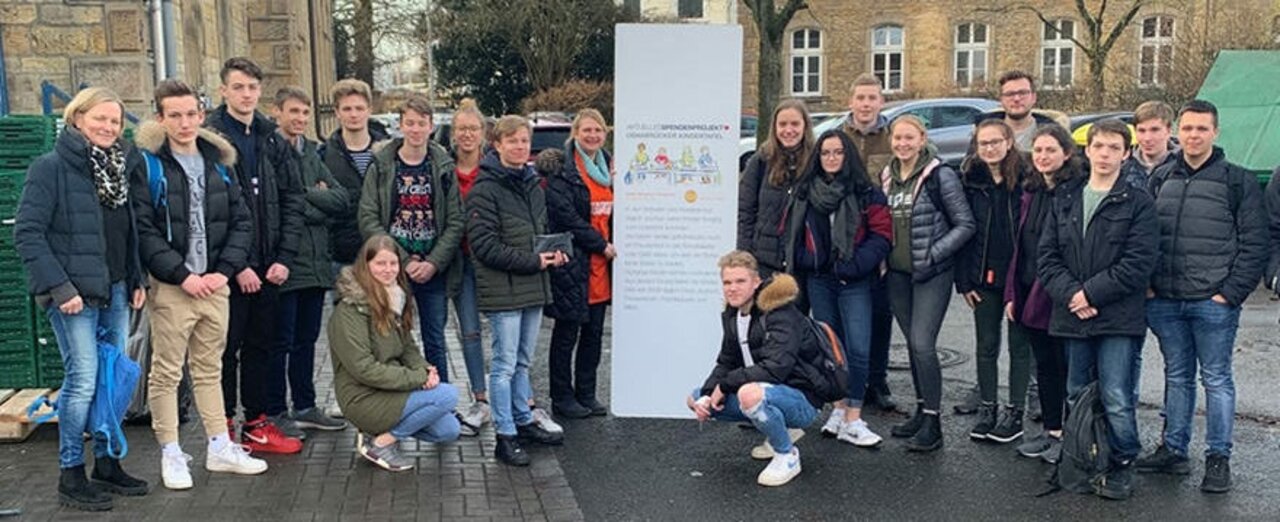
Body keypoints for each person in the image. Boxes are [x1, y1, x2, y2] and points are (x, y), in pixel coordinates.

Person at [14, 87, 149, 511]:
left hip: (114, 289)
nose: (109, 127)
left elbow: (125, 231)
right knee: (83, 380)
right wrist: (60, 289)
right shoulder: (49, 168)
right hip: (72, 296)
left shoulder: (115, 167)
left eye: (115, 121)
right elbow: (28, 234)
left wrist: (135, 276)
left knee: (110, 379)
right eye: (100, 119)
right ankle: (71, 474)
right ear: (76, 119)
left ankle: (106, 463)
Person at [131, 79, 266, 490]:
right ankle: (171, 453)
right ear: (161, 117)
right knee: (167, 372)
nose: (185, 122)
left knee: (210, 369)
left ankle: (219, 446)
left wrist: (221, 272)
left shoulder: (219, 162)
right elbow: (144, 229)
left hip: (215, 284)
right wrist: (182, 275)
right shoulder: (148, 163)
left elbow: (242, 221)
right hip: (173, 286)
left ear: (201, 114)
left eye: (191, 113)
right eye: (175, 115)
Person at [1137, 100, 1268, 494]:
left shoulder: (1237, 181)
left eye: (1202, 129)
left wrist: (1229, 294)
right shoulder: (1160, 177)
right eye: (1188, 128)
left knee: (1216, 379)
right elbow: (1144, 235)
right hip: (1165, 300)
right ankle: (1174, 450)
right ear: (1179, 131)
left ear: (1216, 132)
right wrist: (1149, 285)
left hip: (1212, 302)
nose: (1194, 136)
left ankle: (1218, 457)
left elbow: (1254, 243)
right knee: (1177, 377)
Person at [1037, 119, 1159, 500]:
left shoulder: (1139, 203)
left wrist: (1090, 294)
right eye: (1098, 146)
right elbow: (1047, 256)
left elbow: (1139, 262)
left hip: (1118, 317)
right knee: (1076, 391)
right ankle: (1085, 456)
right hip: (1073, 312)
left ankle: (1123, 462)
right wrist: (1073, 294)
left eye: (1113, 147)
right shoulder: (1067, 197)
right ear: (1087, 151)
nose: (1105, 154)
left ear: (1126, 153)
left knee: (1117, 395)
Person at [206, 57, 307, 452]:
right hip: (227, 272)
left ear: (259, 91)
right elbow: (212, 210)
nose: (246, 94)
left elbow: (293, 198)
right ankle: (225, 429)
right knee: (226, 350)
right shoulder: (210, 138)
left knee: (262, 347)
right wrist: (240, 265)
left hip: (271, 268)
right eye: (238, 87)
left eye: (252, 87)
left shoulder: (270, 139)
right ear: (224, 91)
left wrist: (283, 257)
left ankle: (257, 424)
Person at [466, 115, 569, 466]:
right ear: (496, 144)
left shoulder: (531, 183)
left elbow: (538, 233)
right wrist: (536, 261)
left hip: (532, 287)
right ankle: (505, 435)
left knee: (523, 362)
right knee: (504, 365)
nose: (520, 146)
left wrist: (555, 252)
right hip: (504, 290)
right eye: (512, 141)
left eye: (524, 141)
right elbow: (485, 247)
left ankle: (524, 421)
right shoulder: (484, 189)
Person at [880, 115, 976, 452]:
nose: (903, 144)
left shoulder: (940, 175)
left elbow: (965, 224)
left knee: (923, 343)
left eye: (910, 138)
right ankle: (921, 411)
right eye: (897, 138)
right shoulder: (887, 176)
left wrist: (934, 254)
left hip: (932, 273)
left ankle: (934, 423)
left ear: (922, 139)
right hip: (897, 274)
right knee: (911, 344)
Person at [687, 251, 823, 487]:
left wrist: (725, 385)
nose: (732, 288)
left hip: (804, 400)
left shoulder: (781, 313)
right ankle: (781, 431)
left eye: (740, 281)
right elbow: (726, 362)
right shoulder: (733, 314)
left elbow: (775, 369)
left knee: (748, 394)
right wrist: (710, 393)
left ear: (757, 282)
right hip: (769, 392)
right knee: (697, 397)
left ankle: (787, 455)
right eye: (727, 282)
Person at [328, 235, 462, 471]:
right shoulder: (349, 310)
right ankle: (381, 443)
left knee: (449, 429)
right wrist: (418, 379)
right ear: (365, 265)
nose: (388, 270)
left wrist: (425, 370)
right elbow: (363, 369)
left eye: (393, 263)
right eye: (380, 263)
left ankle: (383, 432)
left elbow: (408, 347)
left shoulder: (394, 297)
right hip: (362, 396)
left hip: (390, 388)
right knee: (447, 395)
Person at [357, 94, 463, 389]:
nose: (416, 129)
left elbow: (456, 221)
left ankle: (441, 399)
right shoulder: (381, 164)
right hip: (391, 270)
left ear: (431, 126)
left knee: (434, 339)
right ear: (400, 126)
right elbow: (368, 218)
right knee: (387, 338)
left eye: (422, 123)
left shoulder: (443, 167)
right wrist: (402, 260)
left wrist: (432, 262)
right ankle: (391, 400)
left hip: (433, 268)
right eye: (410, 123)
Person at [800, 129, 892, 447]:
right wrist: (810, 260)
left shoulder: (868, 192)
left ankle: (854, 414)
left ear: (848, 154)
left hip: (855, 280)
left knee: (858, 347)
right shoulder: (806, 192)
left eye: (838, 152)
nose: (832, 158)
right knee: (830, 347)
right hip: (820, 280)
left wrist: (855, 265)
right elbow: (792, 234)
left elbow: (882, 235)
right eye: (826, 153)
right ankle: (838, 409)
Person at [268, 87, 349, 433]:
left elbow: (340, 201)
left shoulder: (312, 153)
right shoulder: (270, 152)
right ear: (277, 112)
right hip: (287, 265)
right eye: (293, 112)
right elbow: (281, 207)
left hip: (316, 266)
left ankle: (305, 405)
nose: (300, 119)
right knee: (279, 342)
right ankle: (275, 410)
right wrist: (313, 199)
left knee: (306, 341)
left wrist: (306, 196)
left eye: (305, 112)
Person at [1011, 124, 1083, 463]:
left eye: (1050, 150)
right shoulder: (1032, 190)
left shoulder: (1076, 191)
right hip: (1029, 290)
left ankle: (1073, 434)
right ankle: (1052, 431)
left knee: (1066, 367)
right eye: (1038, 151)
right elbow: (1021, 246)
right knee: (1046, 367)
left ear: (1066, 153)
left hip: (1059, 294)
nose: (1042, 157)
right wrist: (1014, 293)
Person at [957, 120, 1031, 444]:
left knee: (1019, 347)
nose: (989, 148)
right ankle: (988, 407)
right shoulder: (969, 180)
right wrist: (964, 280)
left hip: (1020, 277)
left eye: (995, 142)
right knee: (986, 345)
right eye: (983, 143)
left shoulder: (1028, 178)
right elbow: (962, 231)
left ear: (1009, 141)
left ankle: (1015, 412)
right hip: (982, 276)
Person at [545, 109, 616, 419]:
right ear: (575, 133)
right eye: (586, 130)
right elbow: (566, 217)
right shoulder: (563, 169)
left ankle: (586, 393)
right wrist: (600, 243)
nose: (592, 135)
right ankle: (562, 397)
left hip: (602, 267)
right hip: (574, 263)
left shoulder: (610, 167)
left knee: (594, 335)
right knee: (566, 335)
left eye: (598, 130)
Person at [842, 73, 898, 412]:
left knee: (880, 313)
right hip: (846, 236)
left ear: (881, 102)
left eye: (872, 98)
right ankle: (845, 380)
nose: (865, 104)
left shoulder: (894, 138)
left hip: (881, 236)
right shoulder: (835, 135)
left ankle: (877, 380)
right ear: (851, 101)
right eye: (860, 98)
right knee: (843, 315)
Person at [738, 99, 815, 311]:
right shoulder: (760, 161)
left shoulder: (815, 161)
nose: (788, 130)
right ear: (774, 127)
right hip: (765, 261)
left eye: (795, 124)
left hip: (802, 262)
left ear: (805, 127)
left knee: (799, 327)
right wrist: (746, 258)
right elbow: (745, 211)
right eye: (782, 125)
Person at [449, 99, 491, 434]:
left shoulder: (493, 168)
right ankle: (481, 399)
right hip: (457, 260)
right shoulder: (443, 169)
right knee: (470, 331)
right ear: (453, 133)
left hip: (491, 259)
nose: (467, 135)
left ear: (483, 133)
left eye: (473, 129)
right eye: (461, 129)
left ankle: (520, 400)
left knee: (508, 332)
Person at [324, 78, 392, 270]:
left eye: (359, 108)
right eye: (347, 109)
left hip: (384, 254)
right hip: (341, 256)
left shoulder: (390, 153)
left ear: (369, 110)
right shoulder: (324, 155)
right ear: (337, 112)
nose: (354, 115)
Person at [976, 71, 1070, 151]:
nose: (1016, 99)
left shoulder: (1054, 133)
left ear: (1033, 97)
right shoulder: (983, 133)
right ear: (1001, 99)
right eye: (1010, 94)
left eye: (1022, 93)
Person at [1121, 101, 1179, 190]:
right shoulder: (1121, 165)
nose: (1147, 138)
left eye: (1154, 130)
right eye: (1141, 131)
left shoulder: (1183, 166)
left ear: (1168, 130)